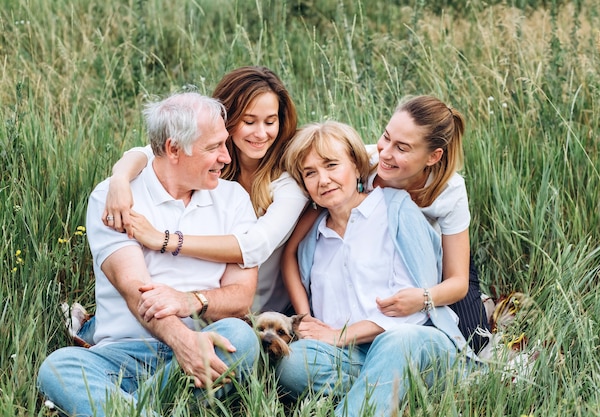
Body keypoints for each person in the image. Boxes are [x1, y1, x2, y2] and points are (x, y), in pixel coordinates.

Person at [37, 92, 261, 416]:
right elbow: (136, 291)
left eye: (224, 144)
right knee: (58, 368)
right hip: (124, 357)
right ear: (173, 149)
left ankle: (118, 407)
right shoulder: (115, 197)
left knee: (240, 337)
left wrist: (190, 302)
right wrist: (182, 341)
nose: (227, 157)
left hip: (203, 346)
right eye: (214, 148)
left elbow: (241, 295)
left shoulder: (234, 199)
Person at [277, 120, 470, 417]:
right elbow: (287, 259)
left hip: (417, 344)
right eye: (310, 173)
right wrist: (307, 321)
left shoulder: (396, 209)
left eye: (331, 165)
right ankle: (391, 391)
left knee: (398, 341)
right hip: (351, 356)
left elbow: (415, 310)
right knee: (292, 364)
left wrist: (340, 336)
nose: (323, 179)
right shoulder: (313, 235)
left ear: (356, 167)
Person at [282, 95, 489, 353]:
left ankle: (482, 305)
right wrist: (308, 318)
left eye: (402, 148)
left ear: (432, 157)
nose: (386, 153)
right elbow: (301, 239)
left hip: (434, 265)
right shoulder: (361, 164)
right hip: (372, 260)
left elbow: (457, 281)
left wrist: (423, 299)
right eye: (386, 137)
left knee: (474, 341)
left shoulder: (450, 191)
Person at [103, 66, 308, 315]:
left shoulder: (289, 182)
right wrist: (119, 179)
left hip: (259, 312)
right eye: (249, 121)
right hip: (203, 306)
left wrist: (165, 240)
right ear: (226, 121)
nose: (261, 133)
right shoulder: (210, 163)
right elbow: (154, 152)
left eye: (270, 121)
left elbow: (254, 247)